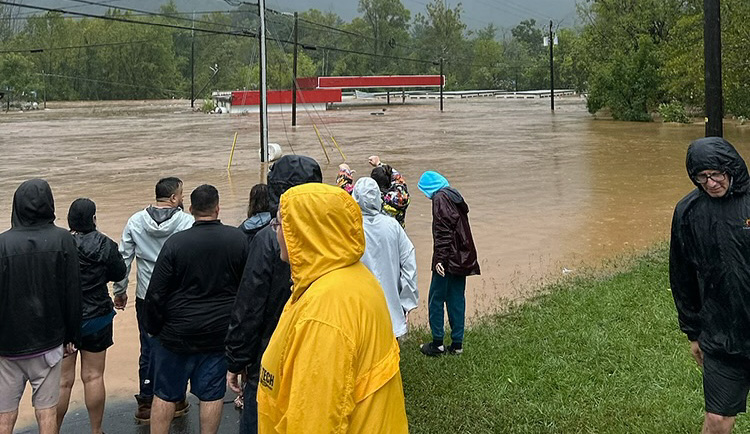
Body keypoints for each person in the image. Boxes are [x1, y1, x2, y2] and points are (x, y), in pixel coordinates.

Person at [257, 183, 408, 433]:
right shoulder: (354, 277)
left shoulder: (325, 313)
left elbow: (315, 420)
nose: (276, 232)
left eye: (281, 224)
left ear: (303, 233)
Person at [225, 155, 322, 434]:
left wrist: (236, 359)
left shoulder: (268, 238)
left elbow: (249, 305)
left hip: (268, 356)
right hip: (310, 351)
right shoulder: (331, 234)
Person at [144, 185, 248, 434]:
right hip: (218, 333)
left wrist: (153, 328)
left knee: (165, 394)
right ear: (217, 208)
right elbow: (248, 291)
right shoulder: (237, 240)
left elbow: (156, 292)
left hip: (176, 334)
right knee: (211, 394)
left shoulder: (176, 243)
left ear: (190, 210)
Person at [670, 137, 750, 434]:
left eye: (717, 173)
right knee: (717, 420)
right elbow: (682, 276)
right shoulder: (688, 211)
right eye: (702, 177)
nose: (711, 182)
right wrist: (693, 332)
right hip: (721, 336)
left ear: (732, 168)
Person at [0, 179, 81, 434]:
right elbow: (72, 292)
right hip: (49, 339)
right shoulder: (62, 239)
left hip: (7, 344)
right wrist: (72, 336)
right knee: (46, 412)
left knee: (5, 414)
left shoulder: (2, 243)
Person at [114, 177, 194, 421]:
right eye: (181, 195)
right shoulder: (187, 222)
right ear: (173, 198)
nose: (183, 199)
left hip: (146, 296)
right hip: (177, 296)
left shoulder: (136, 221)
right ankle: (176, 398)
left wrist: (120, 290)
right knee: (178, 346)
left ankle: (146, 403)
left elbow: (123, 258)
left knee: (148, 347)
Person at [56, 198, 127, 434]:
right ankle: (96, 430)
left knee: (63, 381)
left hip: (65, 320)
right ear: (93, 218)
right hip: (97, 316)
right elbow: (119, 272)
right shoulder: (105, 244)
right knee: (94, 376)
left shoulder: (60, 243)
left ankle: (51, 429)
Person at [417, 171, 480, 356]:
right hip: (462, 257)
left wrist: (439, 260)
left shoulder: (440, 199)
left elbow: (443, 231)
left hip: (448, 259)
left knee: (436, 299)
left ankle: (437, 343)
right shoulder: (453, 196)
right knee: (456, 299)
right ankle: (457, 344)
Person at [352, 177, 418, 338]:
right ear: (378, 198)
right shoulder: (392, 226)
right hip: (391, 310)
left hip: (357, 310)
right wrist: (406, 303)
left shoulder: (349, 229)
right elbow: (409, 264)